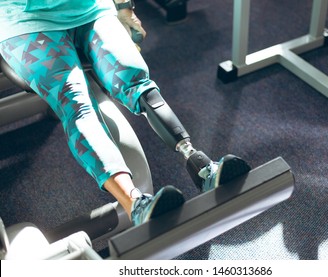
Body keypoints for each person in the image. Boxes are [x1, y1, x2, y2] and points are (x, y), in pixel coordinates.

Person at [0, 0, 250, 227]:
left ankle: (202, 167)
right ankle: (136, 204)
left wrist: (124, 7)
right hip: (23, 22)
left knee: (134, 78)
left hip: (90, 9)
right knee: (75, 101)